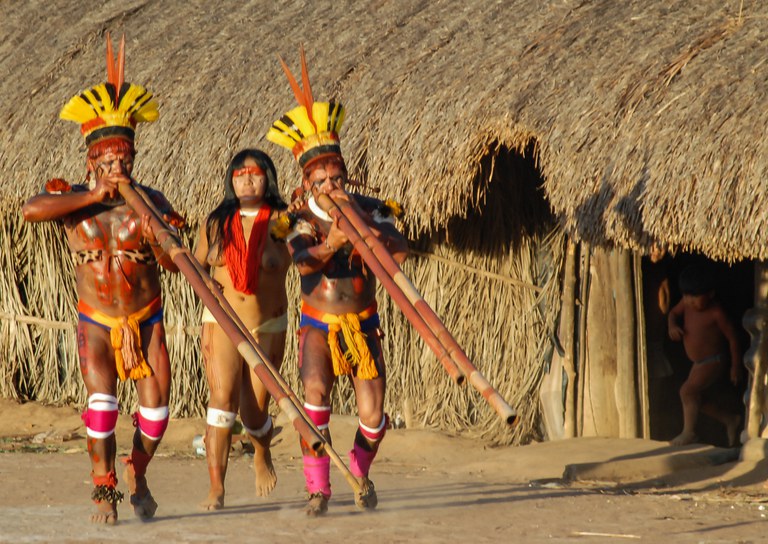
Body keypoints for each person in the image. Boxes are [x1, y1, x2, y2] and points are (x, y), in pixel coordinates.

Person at [21, 34, 183, 524]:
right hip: (96, 320)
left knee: (155, 414)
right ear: (92, 161)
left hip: (145, 318)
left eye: (124, 160)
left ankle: (138, 468)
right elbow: (30, 210)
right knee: (103, 404)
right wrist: (92, 196)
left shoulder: (151, 200)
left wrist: (156, 235)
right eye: (108, 161)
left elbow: (177, 264)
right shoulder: (70, 198)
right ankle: (103, 488)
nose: (117, 168)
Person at [266, 51, 409, 516]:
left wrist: (365, 229)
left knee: (373, 416)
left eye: (337, 175)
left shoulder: (371, 205)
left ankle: (357, 469)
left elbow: (400, 250)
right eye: (321, 178)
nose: (331, 183)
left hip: (363, 323)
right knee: (316, 403)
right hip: (320, 325)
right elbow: (304, 264)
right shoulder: (296, 218)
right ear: (306, 181)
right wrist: (333, 242)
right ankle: (318, 488)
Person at [193, 149, 290, 510]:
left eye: (255, 173)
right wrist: (206, 283)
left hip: (267, 324)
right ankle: (216, 487)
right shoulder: (216, 222)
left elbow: (306, 253)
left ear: (268, 178)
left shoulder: (282, 220)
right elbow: (195, 265)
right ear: (230, 180)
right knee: (222, 402)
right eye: (239, 174)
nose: (247, 180)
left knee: (253, 413)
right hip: (221, 321)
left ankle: (261, 452)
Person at [667, 264, 742, 446]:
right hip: (698, 363)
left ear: (710, 294)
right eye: (686, 295)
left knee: (687, 391)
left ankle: (688, 433)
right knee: (696, 398)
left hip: (713, 360)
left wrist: (735, 366)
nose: (690, 300)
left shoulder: (716, 313)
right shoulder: (685, 304)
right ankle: (730, 419)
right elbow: (673, 313)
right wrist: (672, 326)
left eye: (694, 296)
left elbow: (733, 338)